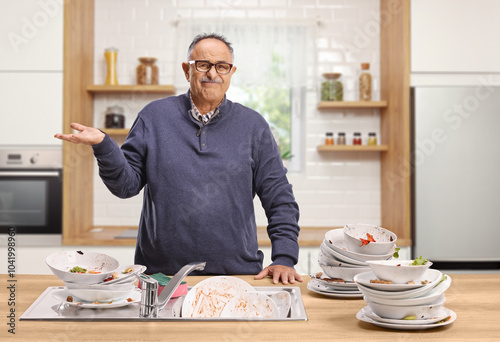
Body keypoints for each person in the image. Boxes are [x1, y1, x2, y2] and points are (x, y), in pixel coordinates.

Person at [55, 33, 302, 285]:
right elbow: (125, 186)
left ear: (231, 72)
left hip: (237, 274)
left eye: (222, 66)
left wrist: (284, 257)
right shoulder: (154, 117)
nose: (212, 73)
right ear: (187, 70)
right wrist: (104, 146)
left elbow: (279, 198)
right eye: (203, 64)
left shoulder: (253, 126)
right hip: (161, 277)